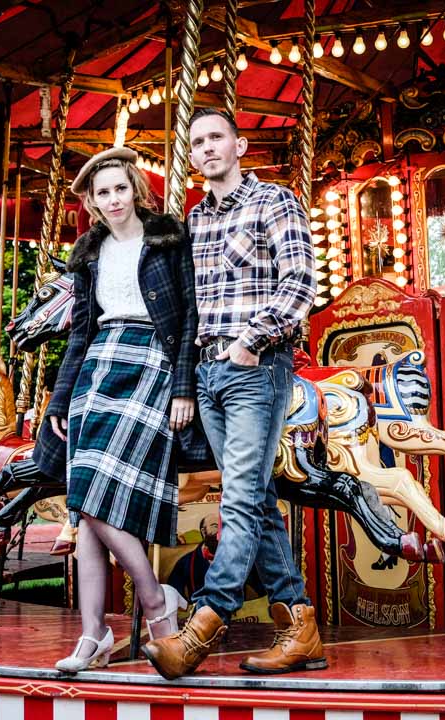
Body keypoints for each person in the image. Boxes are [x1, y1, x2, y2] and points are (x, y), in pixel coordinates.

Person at [142, 108, 325, 679]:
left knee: (240, 500)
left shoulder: (275, 202)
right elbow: (189, 305)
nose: (207, 148)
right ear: (191, 156)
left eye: (216, 137)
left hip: (256, 364)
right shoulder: (194, 219)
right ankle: (300, 626)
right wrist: (190, 376)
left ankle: (199, 629)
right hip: (210, 372)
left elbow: (301, 283)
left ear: (240, 145)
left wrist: (250, 342)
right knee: (257, 499)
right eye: (197, 143)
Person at [48, 146, 200, 673]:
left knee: (91, 498)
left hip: (151, 360)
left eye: (119, 188)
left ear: (135, 189)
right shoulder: (88, 253)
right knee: (85, 504)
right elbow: (81, 330)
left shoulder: (167, 240)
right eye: (102, 192)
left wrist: (183, 388)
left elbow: (188, 320)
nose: (113, 199)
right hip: (98, 365)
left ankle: (154, 603)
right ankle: (94, 635)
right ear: (90, 201)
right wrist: (60, 398)